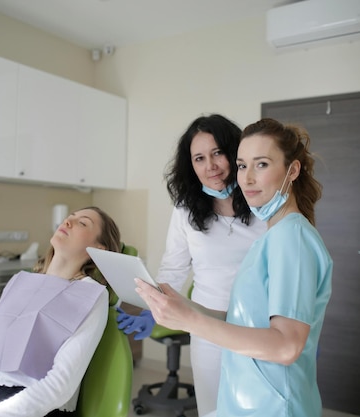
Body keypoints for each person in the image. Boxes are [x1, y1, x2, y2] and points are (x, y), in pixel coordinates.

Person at [136, 117, 333, 417]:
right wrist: (178, 308)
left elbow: (285, 346)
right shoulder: (273, 235)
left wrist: (191, 320)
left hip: (272, 391)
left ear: (292, 170)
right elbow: (241, 316)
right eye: (243, 166)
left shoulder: (288, 236)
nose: (248, 178)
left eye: (262, 164)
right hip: (245, 375)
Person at [116, 114, 267, 415]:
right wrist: (150, 307)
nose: (209, 165)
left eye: (217, 153)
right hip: (206, 329)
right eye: (199, 158)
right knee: (213, 408)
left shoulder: (265, 203)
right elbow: (173, 270)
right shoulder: (186, 210)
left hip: (258, 328)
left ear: (235, 153)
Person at [0, 207, 121, 417]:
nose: (68, 221)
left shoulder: (90, 295)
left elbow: (59, 387)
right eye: (70, 217)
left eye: (82, 223)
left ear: (99, 248)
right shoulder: (19, 283)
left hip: (37, 408)